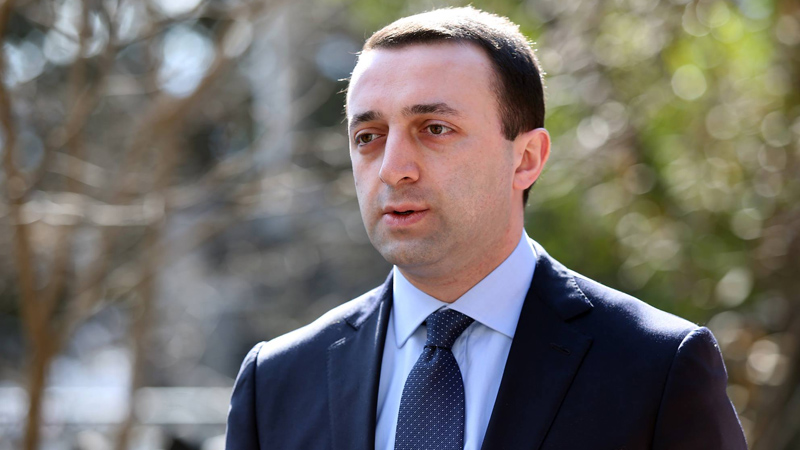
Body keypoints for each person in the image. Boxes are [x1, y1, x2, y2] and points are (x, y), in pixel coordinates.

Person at [225, 7, 747, 450]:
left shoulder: (655, 367)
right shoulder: (276, 382)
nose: (392, 168)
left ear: (526, 158)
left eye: (435, 129)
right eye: (368, 136)